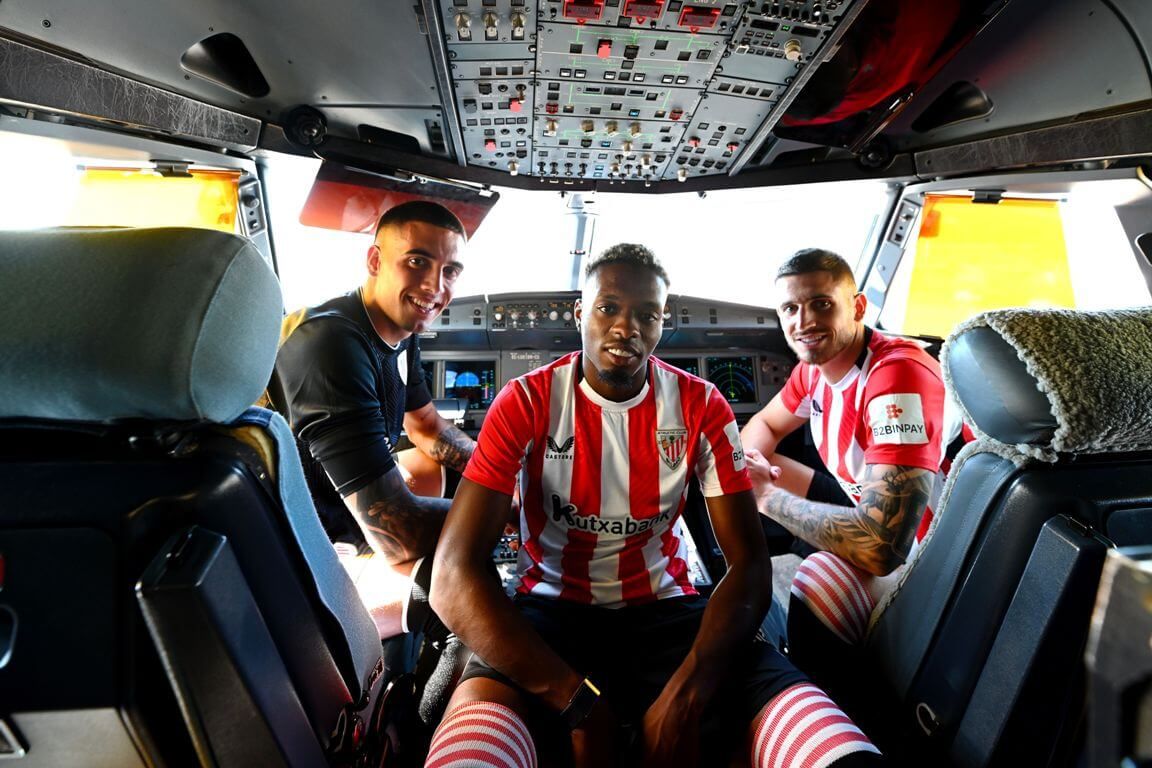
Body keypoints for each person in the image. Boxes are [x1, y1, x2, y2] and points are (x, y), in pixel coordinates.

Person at [427, 244, 884, 768]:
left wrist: (686, 696)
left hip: (670, 615)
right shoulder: (525, 400)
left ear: (663, 324)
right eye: (608, 308)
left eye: (647, 314)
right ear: (581, 313)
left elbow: (750, 566)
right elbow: (452, 576)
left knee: (841, 750)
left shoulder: (702, 404)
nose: (627, 327)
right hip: (548, 619)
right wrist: (580, 707)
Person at [739, 248, 949, 694]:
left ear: (857, 306)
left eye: (821, 303)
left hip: (928, 555)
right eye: (790, 309)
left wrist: (764, 497)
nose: (804, 321)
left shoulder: (897, 376)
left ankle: (826, 705)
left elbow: (881, 550)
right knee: (750, 464)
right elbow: (764, 425)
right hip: (865, 507)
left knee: (815, 579)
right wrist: (748, 472)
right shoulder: (814, 369)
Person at [269, 200, 475, 639]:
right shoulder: (330, 344)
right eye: (417, 262)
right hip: (312, 546)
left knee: (443, 471)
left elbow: (426, 428)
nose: (435, 287)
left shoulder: (401, 328)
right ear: (375, 260)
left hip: (346, 510)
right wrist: (515, 515)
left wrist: (511, 477)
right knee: (470, 583)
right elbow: (395, 529)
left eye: (450, 270)